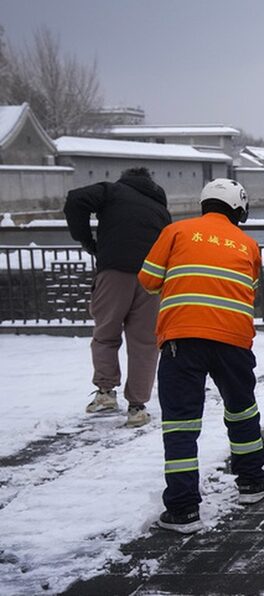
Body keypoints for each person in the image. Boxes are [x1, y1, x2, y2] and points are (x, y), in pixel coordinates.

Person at [139, 178, 264, 534]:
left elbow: (147, 280)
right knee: (242, 411)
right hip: (234, 339)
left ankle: (182, 511)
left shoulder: (176, 232)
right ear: (239, 210)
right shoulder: (249, 244)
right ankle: (252, 483)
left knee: (181, 423)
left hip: (183, 338)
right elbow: (249, 289)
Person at [64, 166, 172, 427]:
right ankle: (137, 407)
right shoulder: (161, 209)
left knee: (106, 334)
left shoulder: (112, 191)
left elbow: (75, 199)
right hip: (151, 279)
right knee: (145, 343)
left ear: (126, 179)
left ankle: (105, 392)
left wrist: (88, 242)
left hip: (114, 272)